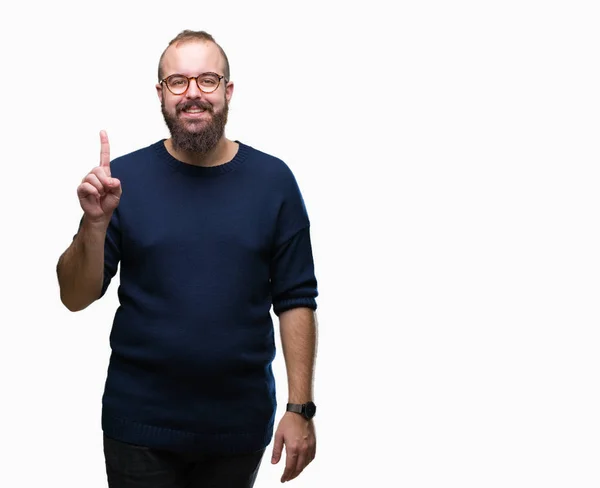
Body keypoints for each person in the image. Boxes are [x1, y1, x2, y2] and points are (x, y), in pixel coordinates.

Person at [56, 29, 319, 488]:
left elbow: (297, 299)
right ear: (161, 93)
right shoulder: (122, 182)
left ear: (228, 91)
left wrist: (300, 408)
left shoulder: (273, 182)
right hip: (138, 428)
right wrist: (94, 225)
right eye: (178, 82)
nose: (193, 93)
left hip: (237, 429)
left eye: (208, 80)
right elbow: (74, 297)